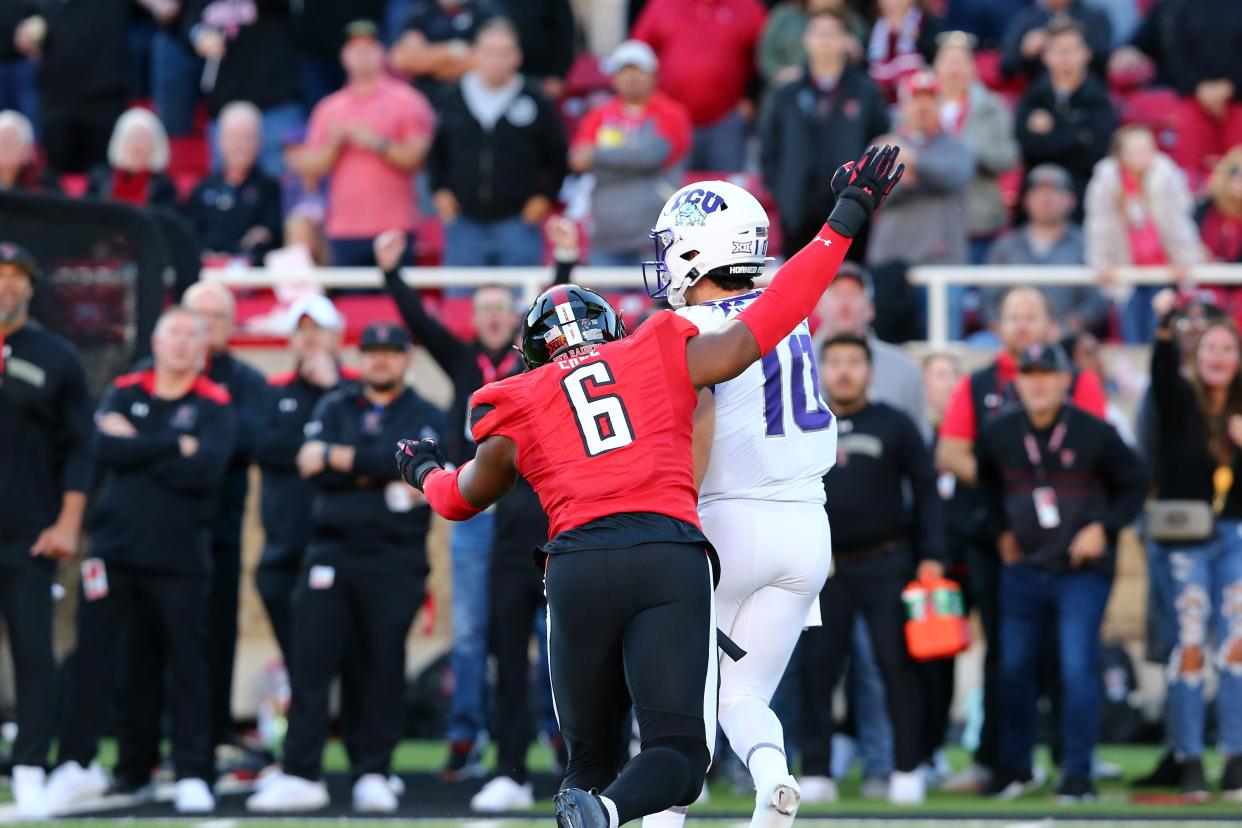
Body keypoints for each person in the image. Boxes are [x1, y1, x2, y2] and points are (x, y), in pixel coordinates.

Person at [395, 147, 905, 828]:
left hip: (615, 552)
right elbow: (776, 309)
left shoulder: (528, 390)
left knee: (609, 748)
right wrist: (843, 220)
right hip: (747, 535)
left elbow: (460, 499)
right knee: (699, 732)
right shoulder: (669, 342)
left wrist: (424, 466)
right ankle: (740, 789)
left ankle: (607, 812)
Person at [642, 188, 840, 828]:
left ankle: (664, 821)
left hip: (730, 519)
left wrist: (675, 516)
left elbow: (698, 418)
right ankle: (774, 782)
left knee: (680, 701)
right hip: (809, 527)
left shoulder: (692, 327)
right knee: (745, 692)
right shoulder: (790, 315)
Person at [375, 226, 569, 783]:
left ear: (514, 318)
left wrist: (567, 260)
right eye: (480, 307)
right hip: (473, 507)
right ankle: (466, 736)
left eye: (499, 308)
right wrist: (391, 274)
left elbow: (557, 308)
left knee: (541, 633)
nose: (489, 316)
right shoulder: (463, 363)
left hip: (526, 508)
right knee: (472, 633)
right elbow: (420, 325)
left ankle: (554, 733)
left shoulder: (530, 363)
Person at [44, 306, 236, 816]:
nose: (181, 343)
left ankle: (194, 771)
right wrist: (175, 446)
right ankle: (81, 764)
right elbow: (101, 448)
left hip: (181, 558)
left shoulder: (215, 403)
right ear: (154, 340)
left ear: (203, 348)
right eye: (173, 333)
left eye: (191, 336)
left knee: (187, 666)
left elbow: (207, 471)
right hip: (114, 551)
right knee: (97, 659)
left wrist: (142, 446)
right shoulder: (125, 390)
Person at [247, 322, 442, 814]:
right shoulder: (335, 405)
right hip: (329, 551)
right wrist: (382, 474)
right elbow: (312, 465)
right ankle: (301, 770)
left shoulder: (425, 413)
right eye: (372, 351)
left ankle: (373, 770)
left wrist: (345, 461)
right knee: (310, 663)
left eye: (390, 352)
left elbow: (425, 475)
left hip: (394, 558)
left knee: (379, 665)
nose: (380, 361)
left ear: (406, 358)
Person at [934, 285, 1108, 794]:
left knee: (1071, 658)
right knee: (1007, 657)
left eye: (1033, 316)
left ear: (1051, 325)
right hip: (1001, 540)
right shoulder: (977, 384)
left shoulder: (1079, 381)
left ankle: (1072, 760)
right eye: (1014, 316)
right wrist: (1016, 484)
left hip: (1070, 544)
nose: (1023, 325)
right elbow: (950, 451)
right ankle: (1001, 762)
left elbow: (1100, 450)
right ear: (1000, 326)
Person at [976, 341, 1146, 801]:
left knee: (1076, 668)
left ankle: (1077, 774)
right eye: (1028, 373)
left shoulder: (1095, 432)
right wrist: (1000, 532)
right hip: (1024, 568)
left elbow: (1135, 483)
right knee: (1012, 669)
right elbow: (986, 483)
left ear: (1065, 380)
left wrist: (1103, 529)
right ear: (1017, 381)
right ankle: (1016, 769)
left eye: (1046, 373)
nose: (1038, 382)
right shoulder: (999, 432)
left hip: (1080, 571)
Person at [799, 333, 947, 806]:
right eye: (835, 362)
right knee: (817, 672)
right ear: (820, 369)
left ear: (870, 370)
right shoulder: (803, 423)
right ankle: (816, 770)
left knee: (896, 669)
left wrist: (932, 555)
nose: (844, 371)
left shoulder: (895, 424)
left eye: (854, 362)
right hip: (823, 571)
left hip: (887, 563)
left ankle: (908, 768)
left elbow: (926, 492)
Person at [0, 243, 92, 819]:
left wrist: (68, 523)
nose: (6, 286)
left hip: (29, 533)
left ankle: (31, 765)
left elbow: (81, 447)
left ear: (32, 288)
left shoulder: (57, 355)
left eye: (16, 278)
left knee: (35, 651)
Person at [1146, 287, 1242, 801]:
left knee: (1235, 649)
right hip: (1185, 538)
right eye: (1211, 350)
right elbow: (1161, 376)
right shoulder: (1180, 399)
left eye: (1228, 350)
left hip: (1235, 536)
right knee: (1188, 646)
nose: (1219, 359)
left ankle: (1234, 757)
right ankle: (1187, 759)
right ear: (1196, 355)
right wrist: (1166, 325)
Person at [254, 293, 357, 661]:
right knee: (299, 661)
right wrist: (320, 451)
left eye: (319, 328)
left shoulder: (355, 390)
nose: (310, 337)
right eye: (302, 329)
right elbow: (262, 446)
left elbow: (366, 447)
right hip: (284, 545)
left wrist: (331, 390)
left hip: (346, 547)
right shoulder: (273, 390)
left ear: (338, 336)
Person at [428, 18, 567, 267]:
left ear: (517, 57)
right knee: (461, 301)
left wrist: (545, 197)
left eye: (505, 53)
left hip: (518, 222)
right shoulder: (451, 97)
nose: (497, 60)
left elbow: (557, 154)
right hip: (464, 221)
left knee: (523, 302)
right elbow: (436, 151)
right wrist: (439, 190)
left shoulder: (535, 98)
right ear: (475, 55)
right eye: (490, 52)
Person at [295, 20, 434, 267]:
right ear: (343, 56)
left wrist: (378, 143)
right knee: (350, 305)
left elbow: (420, 159)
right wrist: (333, 145)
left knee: (395, 303)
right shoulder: (329, 108)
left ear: (383, 53)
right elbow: (309, 170)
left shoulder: (407, 101)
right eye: (354, 48)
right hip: (344, 228)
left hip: (395, 227)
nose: (361, 55)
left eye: (369, 47)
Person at [760, 8, 888, 257]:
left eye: (832, 33)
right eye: (818, 33)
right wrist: (785, 194)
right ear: (806, 39)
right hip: (797, 214)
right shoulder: (786, 95)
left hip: (851, 215)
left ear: (846, 40)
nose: (825, 41)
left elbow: (878, 144)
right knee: (797, 292)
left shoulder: (866, 93)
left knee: (847, 287)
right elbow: (769, 151)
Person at [569, 39, 692, 267]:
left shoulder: (671, 113)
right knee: (603, 303)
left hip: (655, 235)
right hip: (607, 234)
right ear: (614, 78)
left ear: (654, 76)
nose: (631, 78)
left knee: (659, 303)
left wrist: (599, 157)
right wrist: (631, 157)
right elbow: (578, 159)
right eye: (625, 71)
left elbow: (653, 156)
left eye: (638, 71)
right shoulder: (598, 115)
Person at [1083, 125, 1204, 343]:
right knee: (1132, 335)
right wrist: (1101, 262)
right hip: (1126, 272)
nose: (1143, 156)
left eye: (1147, 149)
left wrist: (1184, 260)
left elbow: (1179, 223)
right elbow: (1099, 226)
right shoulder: (1105, 182)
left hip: (1164, 271)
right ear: (1121, 155)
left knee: (1163, 333)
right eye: (1136, 151)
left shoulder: (1167, 176)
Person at [1112, 0, 1242, 183]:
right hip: (1192, 99)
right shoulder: (1173, 5)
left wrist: (1230, 85)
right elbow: (1169, 47)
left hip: (1237, 99)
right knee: (1189, 175)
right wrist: (1199, 87)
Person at [632, 0, 767, 172]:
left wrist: (752, 98)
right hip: (673, 117)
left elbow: (765, 57)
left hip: (727, 118)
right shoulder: (662, 5)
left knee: (726, 191)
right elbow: (639, 53)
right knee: (673, 191)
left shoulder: (748, 7)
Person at [980, 164, 1109, 338]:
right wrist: (1007, 331)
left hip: (1067, 339)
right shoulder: (1005, 245)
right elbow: (988, 302)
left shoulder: (1087, 245)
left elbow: (1097, 301)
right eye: (1038, 191)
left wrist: (1065, 328)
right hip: (1008, 338)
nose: (1046, 198)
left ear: (1071, 200)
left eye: (1055, 191)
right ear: (1026, 200)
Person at [867, 70, 973, 270]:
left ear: (939, 105)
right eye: (916, 99)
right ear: (903, 106)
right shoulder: (883, 146)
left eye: (930, 100)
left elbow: (956, 176)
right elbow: (871, 199)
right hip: (892, 259)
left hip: (944, 260)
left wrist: (912, 160)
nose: (923, 107)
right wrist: (902, 183)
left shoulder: (957, 145)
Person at [183, 0, 303, 177]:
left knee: (279, 187)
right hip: (226, 111)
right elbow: (187, 23)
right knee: (224, 193)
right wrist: (198, 35)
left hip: (274, 104)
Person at [812, 261, 928, 437]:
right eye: (836, 293)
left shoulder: (904, 370)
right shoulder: (793, 365)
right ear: (818, 307)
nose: (845, 303)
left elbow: (919, 445)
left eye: (853, 294)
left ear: (871, 309)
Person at [932, 31, 1019, 259]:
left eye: (960, 62)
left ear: (973, 69)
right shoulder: (918, 104)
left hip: (978, 221)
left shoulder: (992, 106)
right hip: (931, 225)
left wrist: (966, 149)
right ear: (936, 67)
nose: (954, 70)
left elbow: (1008, 157)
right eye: (948, 61)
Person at [1014, 18, 1115, 205]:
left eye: (1071, 49)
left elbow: (1095, 155)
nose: (1064, 56)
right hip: (1037, 191)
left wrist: (1054, 127)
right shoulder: (1033, 96)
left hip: (1083, 194)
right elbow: (1025, 148)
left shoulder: (1099, 99)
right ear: (1045, 56)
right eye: (1057, 49)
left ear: (1087, 53)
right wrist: (1077, 135)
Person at [25, 0, 129, 174]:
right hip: (56, 95)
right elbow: (25, 18)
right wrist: (23, 33)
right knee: (55, 176)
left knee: (102, 176)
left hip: (105, 94)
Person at [187, 101, 284, 263]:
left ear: (259, 142)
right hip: (207, 273)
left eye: (246, 137)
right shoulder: (202, 188)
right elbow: (190, 234)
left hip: (251, 277)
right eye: (234, 137)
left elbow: (271, 237)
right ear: (220, 141)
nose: (240, 145)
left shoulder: (270, 188)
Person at [388, 0, 508, 99]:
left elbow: (492, 60)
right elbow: (403, 60)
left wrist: (429, 62)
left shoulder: (488, 12)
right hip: (428, 99)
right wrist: (454, 50)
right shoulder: (419, 12)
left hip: (474, 101)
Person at [757, 0, 866, 91]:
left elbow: (860, 61)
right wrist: (778, 73)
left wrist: (854, 51)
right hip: (785, 89)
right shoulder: (785, 16)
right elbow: (766, 53)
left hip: (837, 93)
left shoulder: (853, 23)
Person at [85, 108, 178, 209]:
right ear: (120, 142)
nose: (137, 146)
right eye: (132, 137)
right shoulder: (99, 178)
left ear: (155, 146)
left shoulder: (164, 186)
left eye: (144, 139)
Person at [999, 0, 1112, 81]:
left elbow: (1105, 59)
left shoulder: (1095, 16)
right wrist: (1025, 50)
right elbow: (1006, 66)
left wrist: (1077, 46)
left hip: (1087, 92)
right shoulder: (1028, 19)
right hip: (1042, 94)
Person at [865, 0, 944, 104]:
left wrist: (918, 39)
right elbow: (870, 65)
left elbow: (937, 57)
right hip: (882, 100)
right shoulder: (874, 25)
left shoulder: (925, 21)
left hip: (918, 99)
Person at [0, 109, 59, 193]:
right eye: (2, 142)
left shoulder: (43, 184)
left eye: (10, 142)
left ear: (27, 150)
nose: (5, 148)